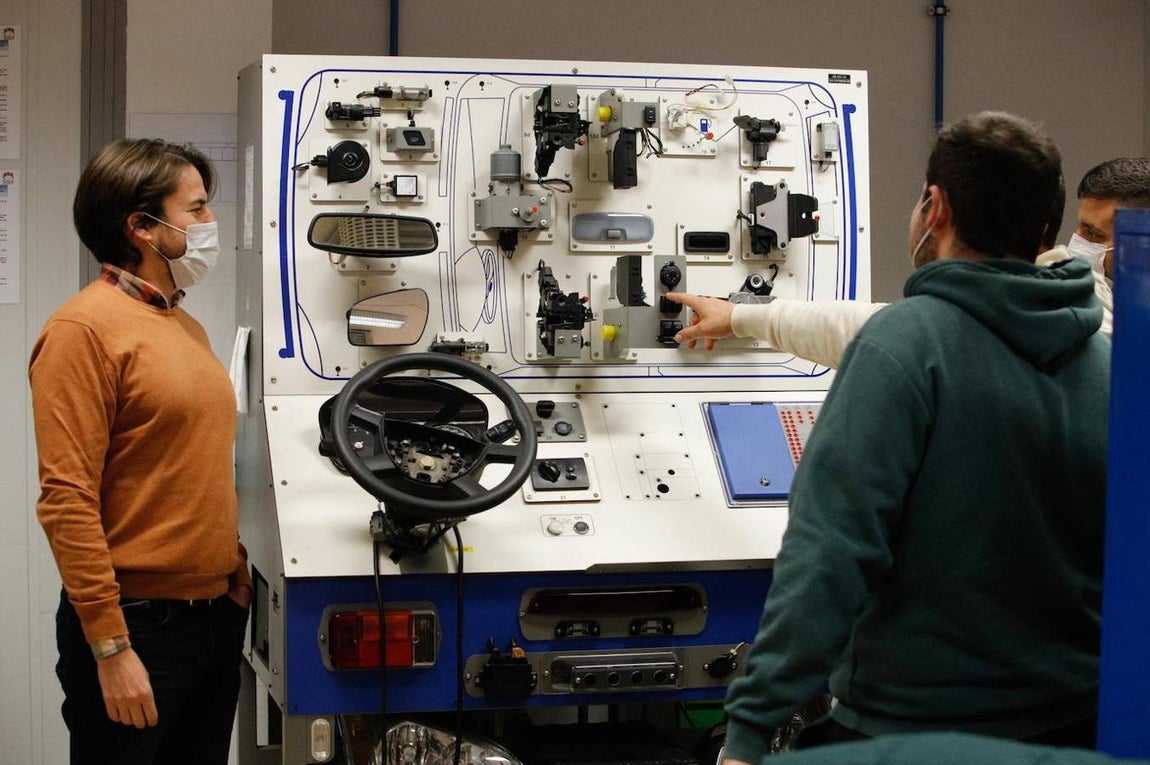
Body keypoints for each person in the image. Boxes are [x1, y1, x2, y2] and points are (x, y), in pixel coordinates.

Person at [713, 112, 1109, 762]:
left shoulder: (902, 347)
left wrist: (750, 728)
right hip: (1072, 728)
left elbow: (828, 556)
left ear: (936, 207)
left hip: (912, 728)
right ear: (1047, 227)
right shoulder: (1107, 364)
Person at [30, 138, 251, 765]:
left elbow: (189, 463)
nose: (210, 223)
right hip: (136, 628)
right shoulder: (81, 331)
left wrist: (233, 575)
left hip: (210, 619)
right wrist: (109, 645)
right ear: (142, 227)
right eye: (196, 209)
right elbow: (66, 500)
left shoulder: (182, 325)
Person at [667, 158, 1149, 360]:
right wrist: (743, 316)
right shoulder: (1079, 297)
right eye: (1083, 229)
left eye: (1096, 235)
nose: (1082, 244)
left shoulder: (1085, 323)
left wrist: (743, 317)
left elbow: (882, 333)